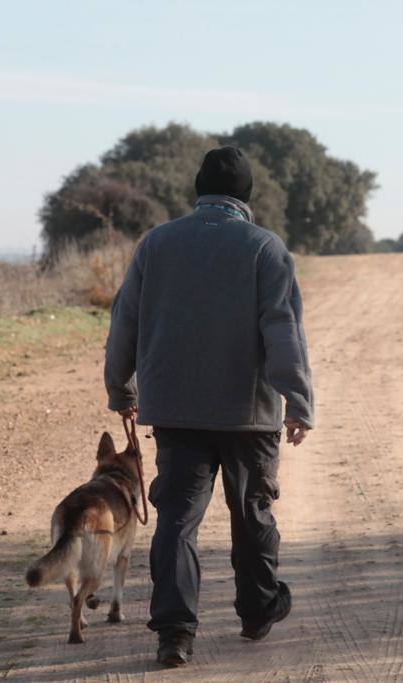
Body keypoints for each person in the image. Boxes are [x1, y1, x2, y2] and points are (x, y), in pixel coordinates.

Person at [104, 146, 315, 668]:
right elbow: (282, 330)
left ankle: (175, 632)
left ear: (198, 191)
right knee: (252, 512)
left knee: (176, 520)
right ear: (246, 197)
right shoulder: (265, 249)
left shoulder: (157, 244)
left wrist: (121, 390)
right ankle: (258, 610)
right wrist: (297, 401)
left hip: (176, 411)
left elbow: (124, 322)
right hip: (248, 414)